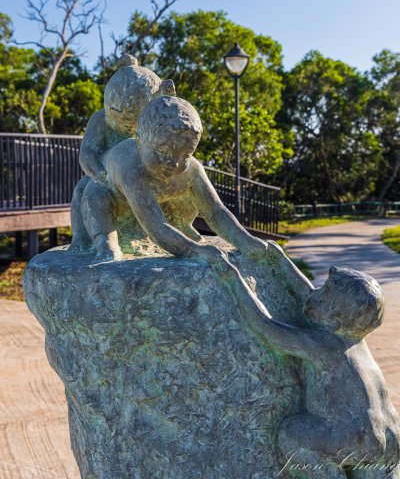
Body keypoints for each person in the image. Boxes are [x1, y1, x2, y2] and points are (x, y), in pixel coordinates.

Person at [222, 263, 400, 478]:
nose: (315, 294)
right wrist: (276, 257)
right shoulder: (355, 340)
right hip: (390, 435)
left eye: (324, 294)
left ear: (335, 317)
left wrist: (232, 279)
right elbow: (306, 293)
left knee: (293, 436)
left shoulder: (324, 345)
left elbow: (266, 329)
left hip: (354, 439)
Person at [81, 95, 269, 264]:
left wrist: (246, 241)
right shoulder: (132, 171)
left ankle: (181, 227)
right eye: (163, 152)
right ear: (140, 141)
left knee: (190, 193)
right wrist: (194, 250)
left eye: (185, 154)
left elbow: (215, 211)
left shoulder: (193, 169)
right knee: (96, 197)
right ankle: (105, 241)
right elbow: (156, 227)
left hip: (160, 200)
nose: (174, 163)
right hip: (114, 196)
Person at [69, 54, 175, 252]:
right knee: (82, 189)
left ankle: (177, 229)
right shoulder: (100, 120)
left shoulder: (155, 121)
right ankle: (84, 239)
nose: (126, 123)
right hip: (107, 178)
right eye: (118, 114)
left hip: (146, 176)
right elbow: (87, 153)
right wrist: (100, 174)